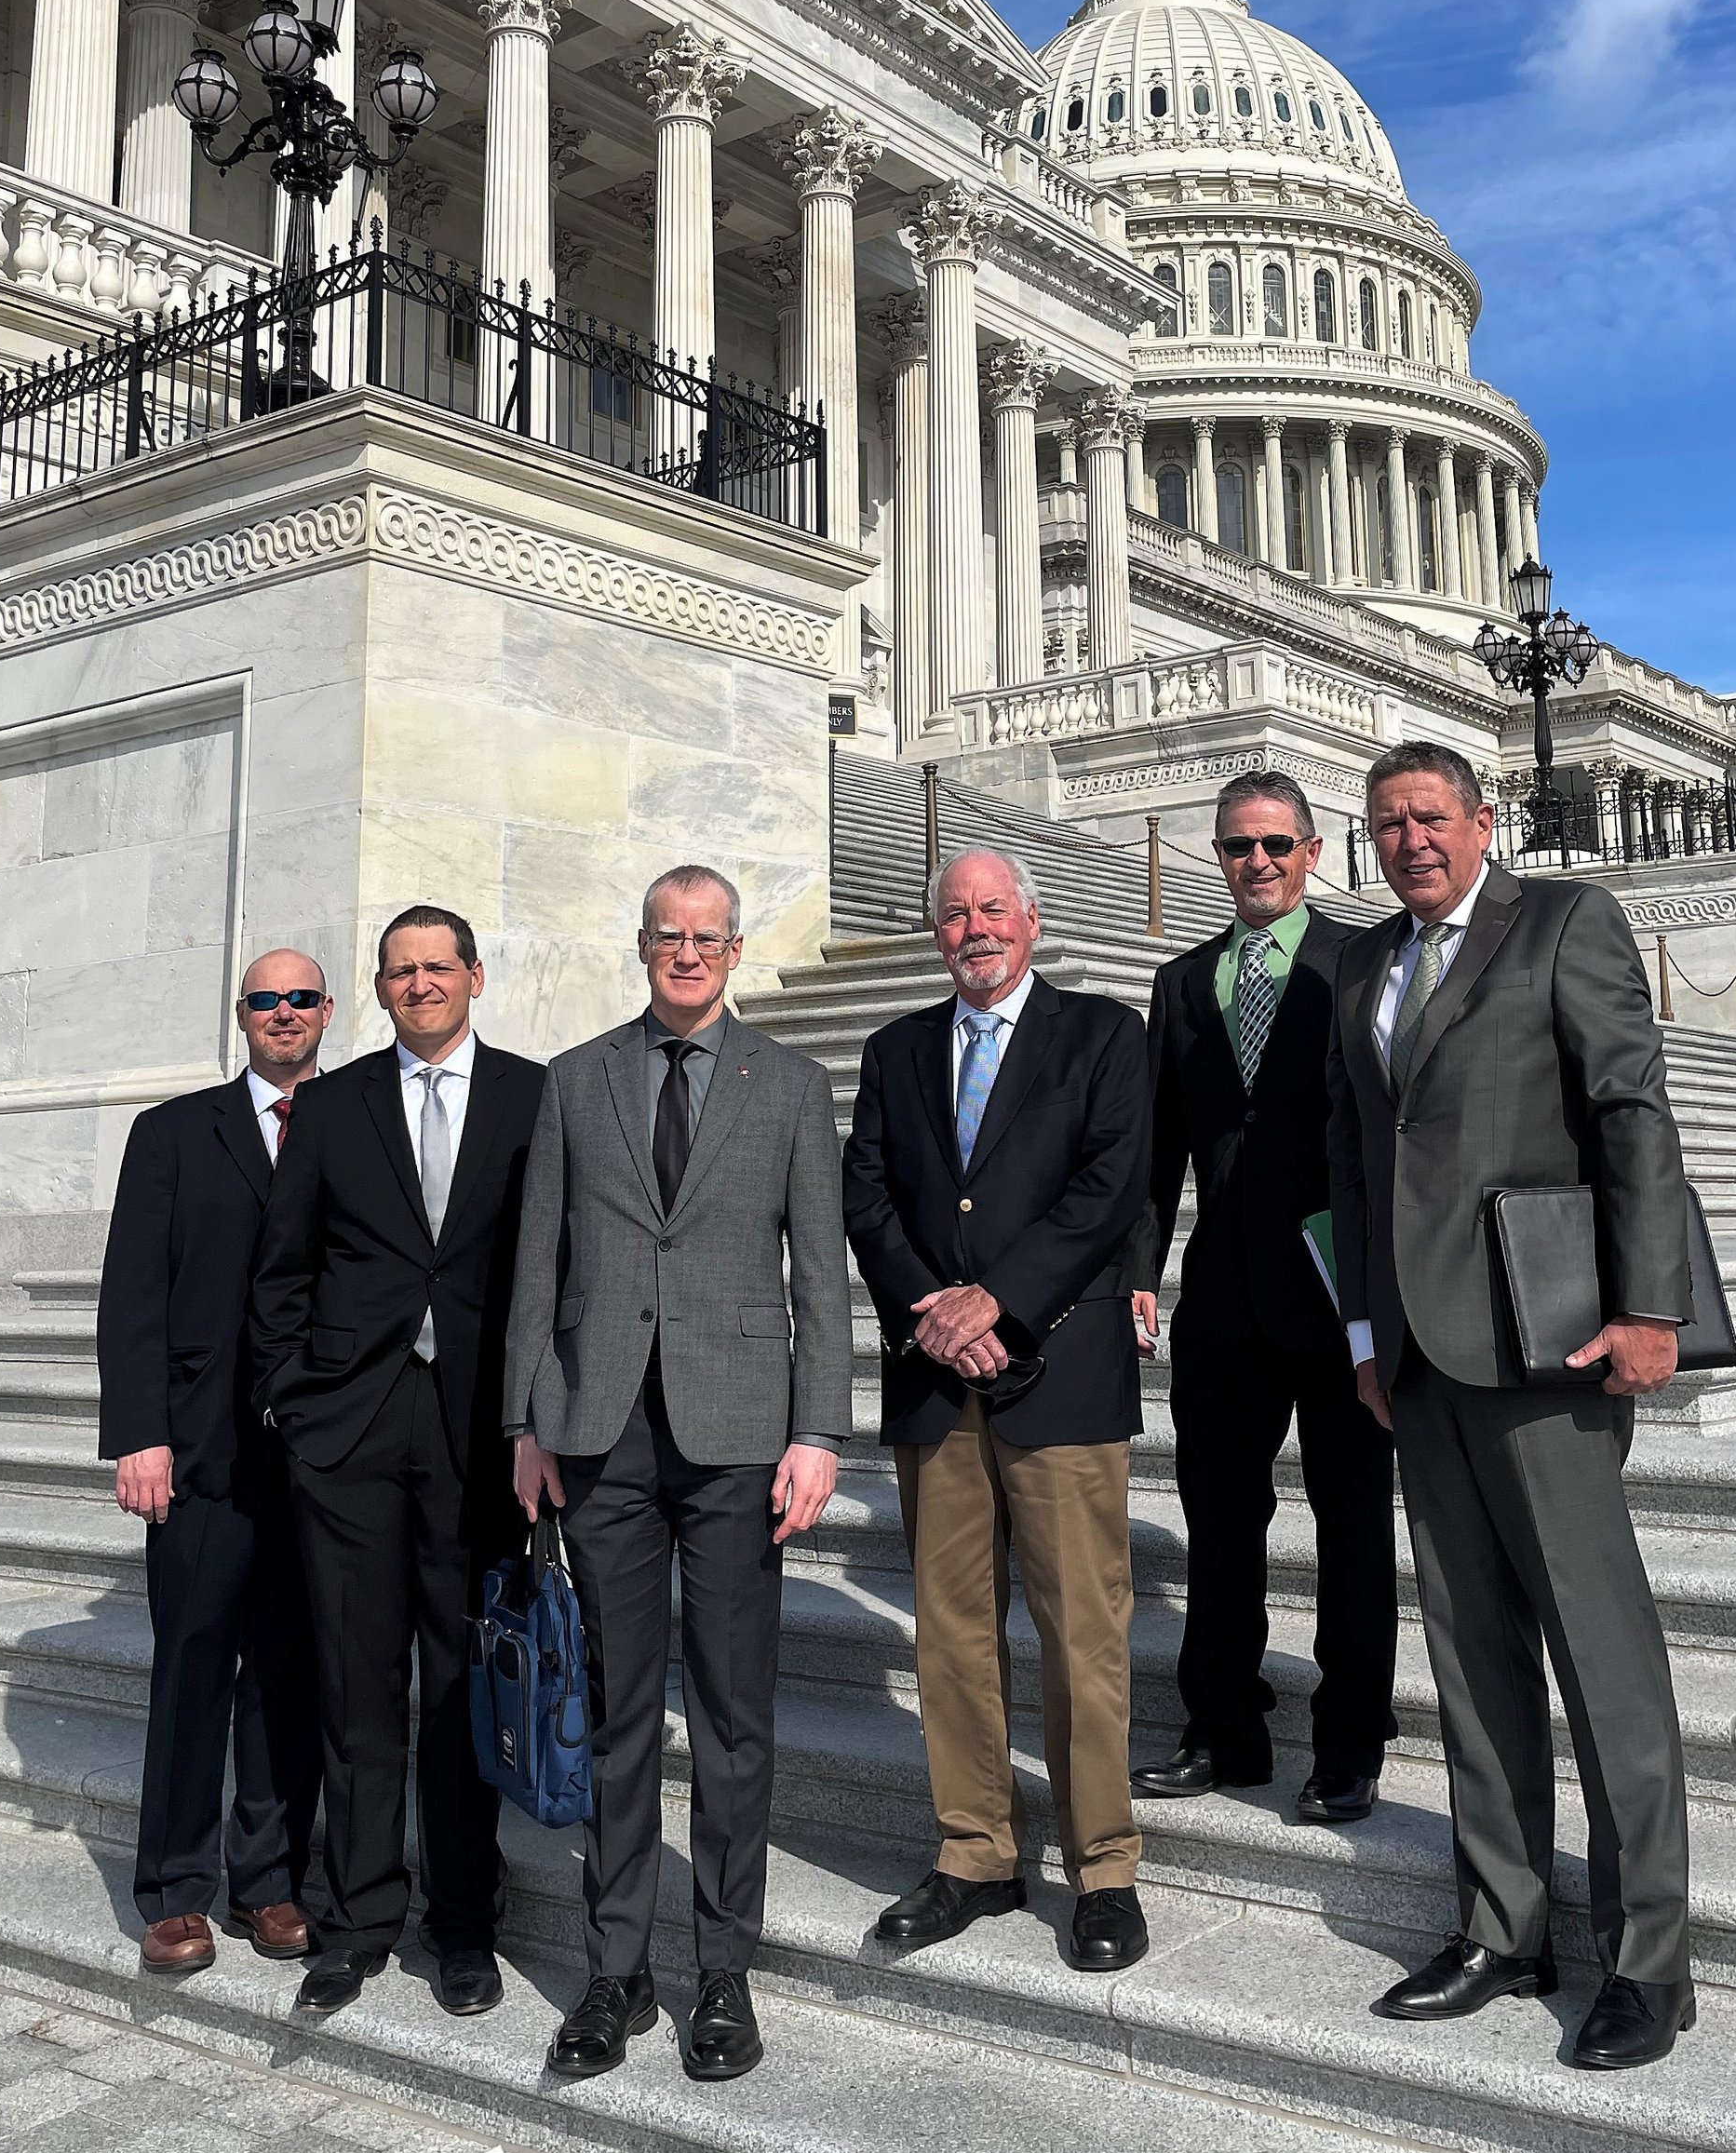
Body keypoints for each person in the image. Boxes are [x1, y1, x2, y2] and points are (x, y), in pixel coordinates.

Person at [1327, 742, 1695, 2072]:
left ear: (1484, 821)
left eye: (1431, 816)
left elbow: (1630, 1115)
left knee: (1602, 1658)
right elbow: (1350, 1161)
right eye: (1387, 823)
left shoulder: (1565, 923)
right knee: (1474, 1659)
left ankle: (1650, 1957)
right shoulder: (1366, 963)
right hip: (1420, 1356)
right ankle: (1505, 1921)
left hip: (1547, 1346)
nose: (1410, 839)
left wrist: (1650, 1308)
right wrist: (1367, 1330)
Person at [505, 866, 851, 2083]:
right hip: (600, 1430)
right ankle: (615, 1973)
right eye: (669, 936)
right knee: (613, 1713)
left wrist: (819, 1431)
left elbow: (820, 1272)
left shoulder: (795, 1087)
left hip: (741, 1433)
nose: (687, 954)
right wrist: (525, 1421)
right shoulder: (576, 1079)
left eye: (708, 938)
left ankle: (721, 1970)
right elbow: (537, 1263)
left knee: (732, 1714)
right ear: (642, 944)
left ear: (738, 949)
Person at [844, 849, 1153, 1974]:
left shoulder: (1102, 1036)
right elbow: (865, 1191)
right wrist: (932, 1309)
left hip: (1058, 1374)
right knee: (953, 1634)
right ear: (938, 935)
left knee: (1081, 1631)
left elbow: (1110, 1185)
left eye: (992, 910)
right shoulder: (895, 1050)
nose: (974, 928)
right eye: (955, 914)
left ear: (1032, 921)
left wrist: (1002, 1301)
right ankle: (975, 1850)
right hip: (937, 1379)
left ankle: (1103, 1864)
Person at [249, 905, 545, 2020]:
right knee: (356, 1681)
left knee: (465, 1682)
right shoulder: (330, 1106)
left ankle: (464, 1922)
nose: (419, 985)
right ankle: (361, 1914)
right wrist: (292, 1402)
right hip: (351, 1430)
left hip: (480, 1433)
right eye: (399, 971)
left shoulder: (535, 1096)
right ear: (377, 992)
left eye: (437, 967)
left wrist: (539, 1417)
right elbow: (282, 1269)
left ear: (475, 976)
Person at [1134, 772, 1397, 1820]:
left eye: (1277, 844)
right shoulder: (1181, 980)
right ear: (1217, 853)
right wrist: (1134, 1274)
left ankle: (1348, 1739)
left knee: (1351, 1522)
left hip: (1341, 1295)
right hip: (1222, 1300)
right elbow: (1156, 1145)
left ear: (1314, 850)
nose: (1259, 862)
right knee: (1220, 1517)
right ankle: (1224, 1727)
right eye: (1239, 846)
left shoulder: (1363, 966)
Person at [97, 950, 330, 1975]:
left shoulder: (362, 1118)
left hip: (321, 1456)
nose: (285, 1012)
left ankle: (269, 1884)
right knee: (193, 1665)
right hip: (197, 1450)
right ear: (241, 1016)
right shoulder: (173, 1133)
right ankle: (175, 1892)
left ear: (328, 1011)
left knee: (290, 1672)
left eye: (303, 997)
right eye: (266, 999)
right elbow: (132, 1294)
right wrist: (138, 1434)